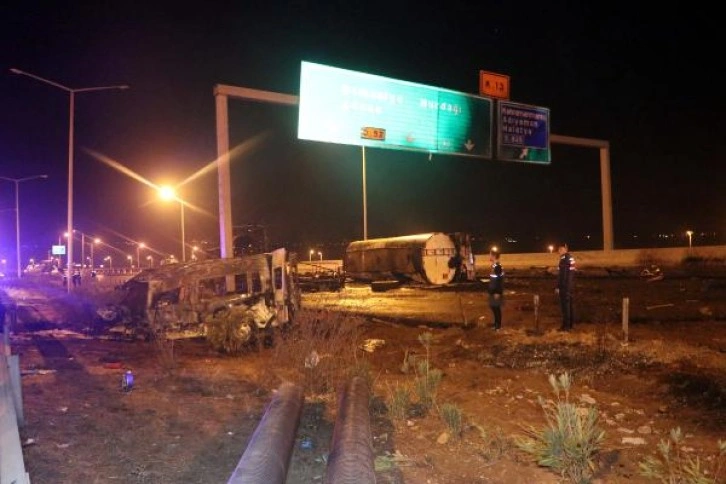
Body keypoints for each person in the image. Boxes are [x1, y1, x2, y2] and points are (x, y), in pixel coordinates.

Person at [555, 242, 576, 331]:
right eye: (559, 250)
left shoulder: (565, 259)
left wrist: (559, 287)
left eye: (561, 249)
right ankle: (570, 325)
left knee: (565, 307)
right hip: (569, 286)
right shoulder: (568, 258)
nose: (559, 251)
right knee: (569, 306)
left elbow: (563, 275)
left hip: (565, 287)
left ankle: (566, 326)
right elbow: (568, 273)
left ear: (565, 250)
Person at [487, 251, 504, 330]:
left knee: (496, 308)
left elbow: (499, 281)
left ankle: (498, 325)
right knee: (493, 307)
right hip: (493, 290)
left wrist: (497, 292)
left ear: (494, 256)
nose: (489, 257)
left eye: (490, 255)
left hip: (496, 291)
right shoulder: (494, 266)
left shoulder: (497, 267)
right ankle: (496, 323)